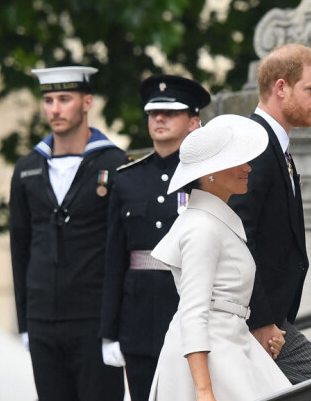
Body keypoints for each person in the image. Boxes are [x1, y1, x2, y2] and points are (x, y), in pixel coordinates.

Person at [148, 114, 292, 401]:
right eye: (239, 160)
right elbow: (193, 312)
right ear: (210, 171)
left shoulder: (212, 222)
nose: (249, 167)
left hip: (229, 347)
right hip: (209, 358)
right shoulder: (201, 227)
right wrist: (203, 391)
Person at [9, 66, 126, 401]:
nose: (55, 109)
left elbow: (121, 249)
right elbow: (20, 248)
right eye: (48, 100)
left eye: (64, 99)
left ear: (87, 102)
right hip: (43, 320)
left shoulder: (115, 164)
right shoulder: (28, 168)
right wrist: (25, 322)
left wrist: (116, 324)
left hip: (94, 320)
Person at [100, 74, 211, 400]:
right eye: (153, 112)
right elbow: (114, 258)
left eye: (171, 112)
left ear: (193, 121)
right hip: (138, 320)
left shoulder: (208, 177)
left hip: (190, 311)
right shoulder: (127, 179)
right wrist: (109, 332)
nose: (159, 118)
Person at [228, 43, 311, 394]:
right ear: (281, 88)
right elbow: (241, 238)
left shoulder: (273, 145)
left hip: (274, 319)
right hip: (259, 323)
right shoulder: (256, 146)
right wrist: (260, 320)